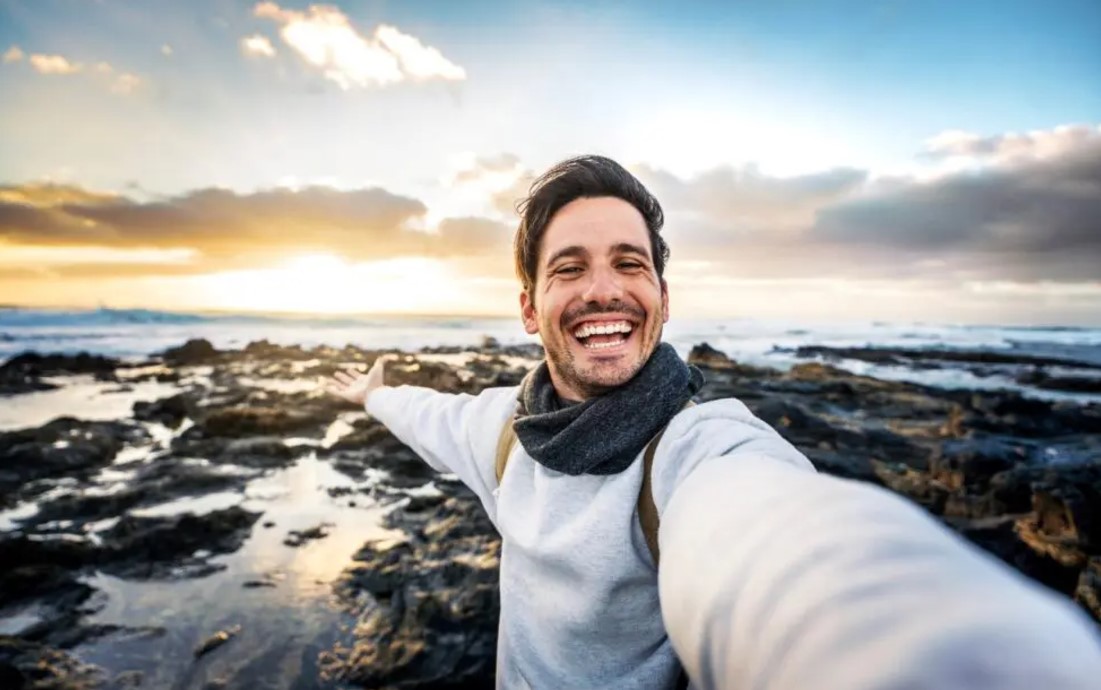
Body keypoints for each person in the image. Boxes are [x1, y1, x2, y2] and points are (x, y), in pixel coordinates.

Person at [326, 155, 1101, 689]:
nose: (605, 290)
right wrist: (370, 395)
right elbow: (427, 414)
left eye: (630, 264)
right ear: (528, 308)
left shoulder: (696, 449)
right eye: (569, 268)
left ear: (663, 295)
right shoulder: (501, 432)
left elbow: (775, 540)